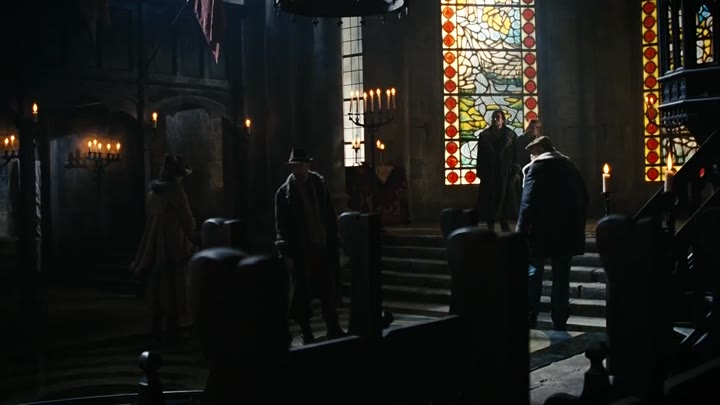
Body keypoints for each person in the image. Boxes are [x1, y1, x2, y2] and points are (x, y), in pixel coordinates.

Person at [274, 147, 346, 344]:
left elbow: (329, 216)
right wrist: (286, 252)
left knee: (328, 288)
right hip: (301, 249)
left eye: (301, 165)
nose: (299, 169)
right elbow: (281, 226)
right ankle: (306, 331)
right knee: (302, 293)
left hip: (321, 244)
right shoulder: (284, 193)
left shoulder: (319, 186)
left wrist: (335, 241)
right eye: (295, 165)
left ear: (308, 165)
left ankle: (333, 325)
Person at [516, 136, 588, 331]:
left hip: (540, 232)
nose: (531, 157)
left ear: (540, 151)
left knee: (533, 273)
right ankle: (559, 316)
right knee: (561, 276)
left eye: (532, 153)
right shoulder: (570, 168)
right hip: (566, 232)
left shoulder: (536, 169)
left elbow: (528, 203)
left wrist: (520, 232)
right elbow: (584, 198)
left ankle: (531, 313)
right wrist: (578, 228)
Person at [131, 153, 196, 344]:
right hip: (172, 244)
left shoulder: (153, 194)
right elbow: (186, 218)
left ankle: (157, 328)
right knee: (174, 288)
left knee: (158, 287)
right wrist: (193, 235)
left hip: (155, 242)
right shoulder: (176, 192)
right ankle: (173, 329)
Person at [475, 110, 518, 232]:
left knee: (505, 198)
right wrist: (480, 171)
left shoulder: (511, 135)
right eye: (494, 117)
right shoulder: (485, 135)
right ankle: (491, 224)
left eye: (498, 117)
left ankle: (504, 223)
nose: (495, 119)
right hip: (489, 172)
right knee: (490, 199)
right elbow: (480, 155)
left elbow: (516, 154)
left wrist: (515, 170)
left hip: (505, 172)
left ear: (503, 120)